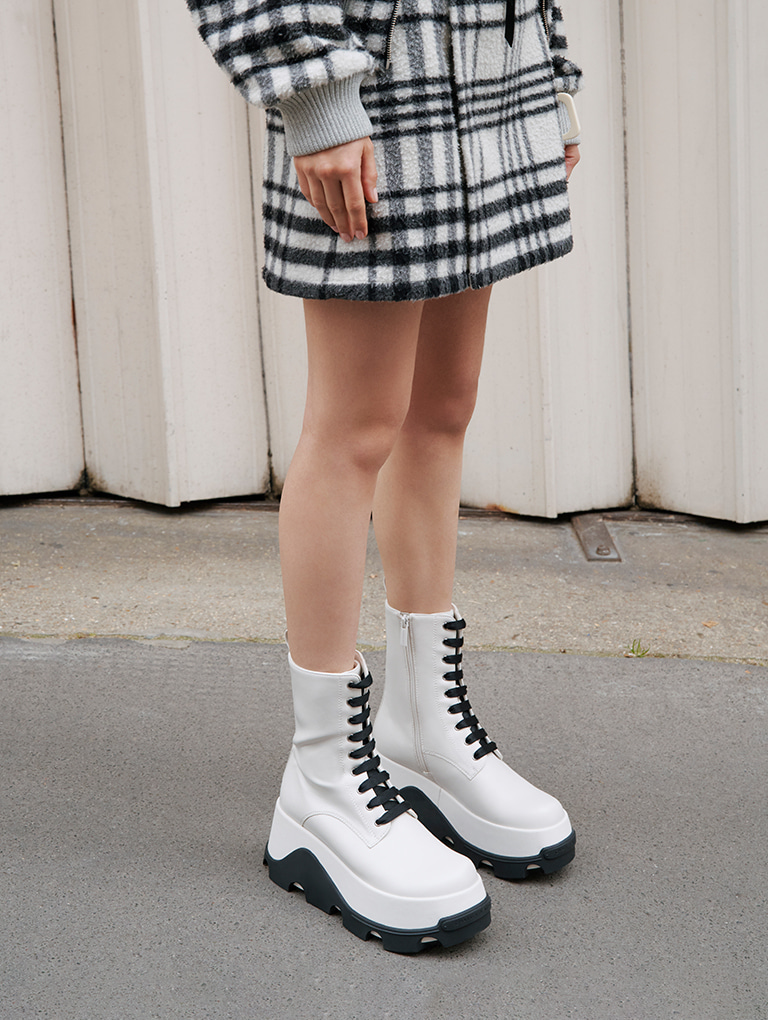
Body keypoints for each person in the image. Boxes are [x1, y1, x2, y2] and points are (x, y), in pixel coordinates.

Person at [186, 0, 582, 953]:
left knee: (441, 407)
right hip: (372, 77)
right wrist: (315, 95)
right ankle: (322, 781)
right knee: (355, 426)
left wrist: (551, 73)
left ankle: (420, 727)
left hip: (489, 64)